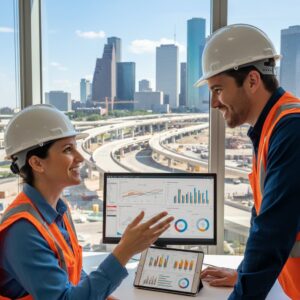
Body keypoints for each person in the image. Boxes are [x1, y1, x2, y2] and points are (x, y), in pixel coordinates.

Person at [0, 104, 174, 300]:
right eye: (68, 149)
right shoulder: (23, 230)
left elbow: (71, 275)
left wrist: (100, 295)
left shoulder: (57, 209)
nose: (80, 157)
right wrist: (124, 251)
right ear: (37, 163)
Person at [196, 24, 300, 299]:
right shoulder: (272, 127)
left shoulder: (292, 130)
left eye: (218, 89)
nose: (213, 103)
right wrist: (243, 273)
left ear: (252, 81)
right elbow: (263, 217)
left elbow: (271, 234)